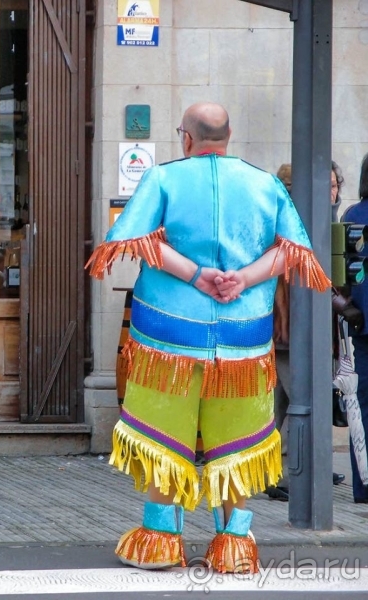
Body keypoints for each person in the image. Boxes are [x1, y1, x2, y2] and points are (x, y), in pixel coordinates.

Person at [86, 102, 329, 574]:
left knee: (165, 432)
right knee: (238, 438)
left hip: (167, 334)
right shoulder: (264, 183)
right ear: (229, 135)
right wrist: (243, 278)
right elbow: (292, 252)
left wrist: (196, 275)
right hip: (244, 337)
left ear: (186, 138)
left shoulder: (163, 178)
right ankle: (234, 544)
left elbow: (136, 240)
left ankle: (160, 538)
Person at [268, 162, 345, 502]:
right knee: (301, 396)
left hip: (308, 326)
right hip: (289, 326)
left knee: (282, 403)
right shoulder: (286, 224)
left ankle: (291, 468)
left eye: (333, 185)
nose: (331, 192)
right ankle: (286, 472)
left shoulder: (325, 222)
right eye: (324, 185)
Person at [340, 153, 368, 504]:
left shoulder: (352, 216)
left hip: (361, 324)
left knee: (360, 407)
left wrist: (349, 306)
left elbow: (341, 275)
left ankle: (363, 484)